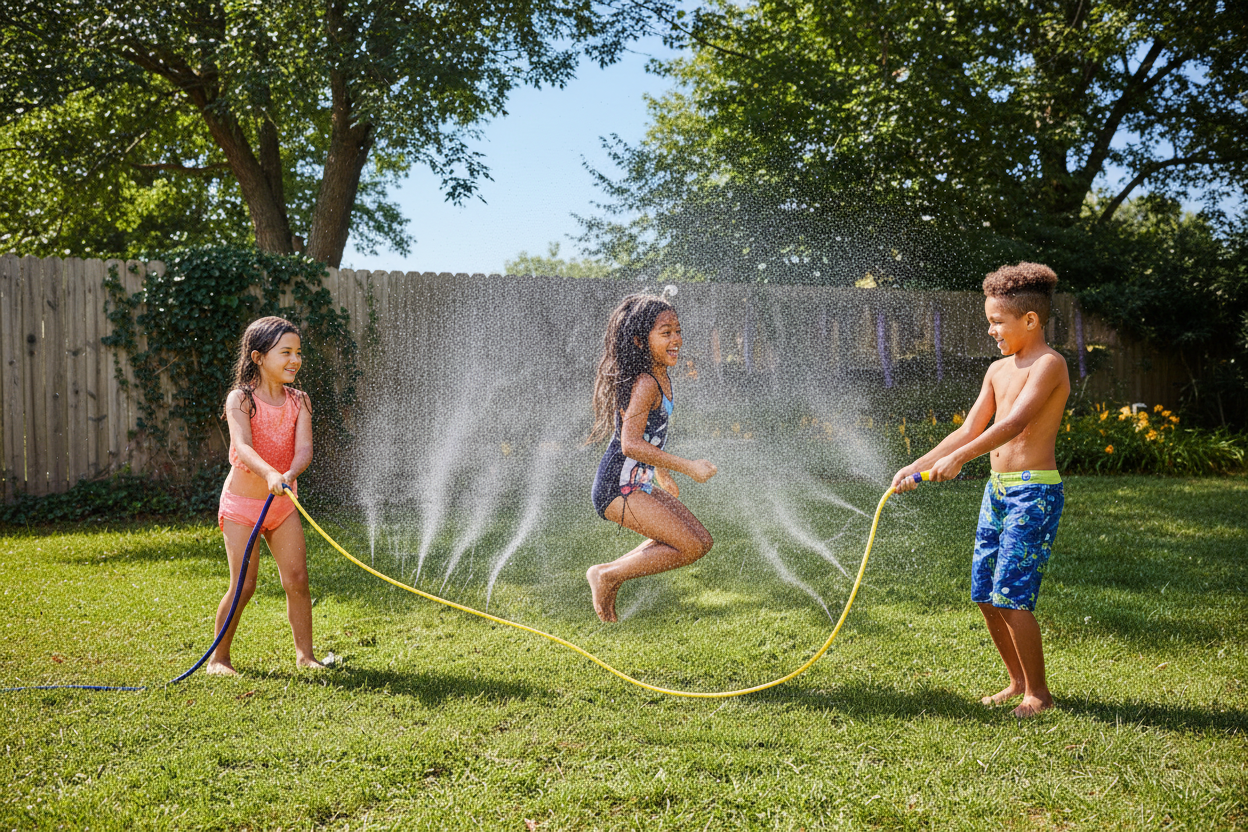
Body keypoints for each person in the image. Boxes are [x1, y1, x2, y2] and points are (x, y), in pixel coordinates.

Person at [891, 263, 1069, 717]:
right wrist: (919, 463)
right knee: (986, 596)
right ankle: (1016, 682)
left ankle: (1039, 694)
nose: (990, 330)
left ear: (1029, 320)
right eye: (988, 321)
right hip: (998, 491)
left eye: (996, 322)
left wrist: (960, 460)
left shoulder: (1050, 365)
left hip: (1034, 493)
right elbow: (971, 427)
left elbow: (1014, 423)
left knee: (1011, 594)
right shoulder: (996, 371)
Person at [587, 293, 718, 622]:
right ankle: (607, 576)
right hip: (618, 487)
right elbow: (631, 444)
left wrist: (662, 472)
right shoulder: (645, 383)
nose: (676, 339)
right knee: (687, 546)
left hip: (638, 482)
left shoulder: (660, 376)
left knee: (701, 542)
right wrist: (687, 467)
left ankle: (608, 573)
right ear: (640, 341)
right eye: (665, 332)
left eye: (677, 330)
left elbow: (650, 434)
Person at [205, 316, 324, 675]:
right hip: (242, 507)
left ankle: (305, 656)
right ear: (258, 357)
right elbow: (242, 447)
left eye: (298, 352)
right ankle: (218, 659)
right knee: (244, 585)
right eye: (285, 352)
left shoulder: (299, 400)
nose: (295, 360)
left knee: (298, 579)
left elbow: (304, 449)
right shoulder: (240, 399)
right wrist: (270, 471)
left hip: (282, 506)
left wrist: (289, 472)